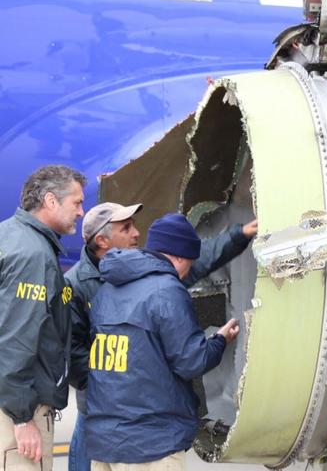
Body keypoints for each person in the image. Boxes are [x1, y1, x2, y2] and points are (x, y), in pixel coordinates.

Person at [65, 203, 256, 471]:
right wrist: (219, 340)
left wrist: (112, 381)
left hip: (108, 431)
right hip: (149, 440)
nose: (135, 233)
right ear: (101, 239)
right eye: (126, 227)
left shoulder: (110, 286)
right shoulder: (164, 289)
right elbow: (191, 361)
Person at [0, 165, 86, 471]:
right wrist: (22, 418)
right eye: (76, 202)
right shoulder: (33, 255)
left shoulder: (8, 235)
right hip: (17, 413)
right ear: (51, 201)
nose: (81, 212)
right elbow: (17, 338)